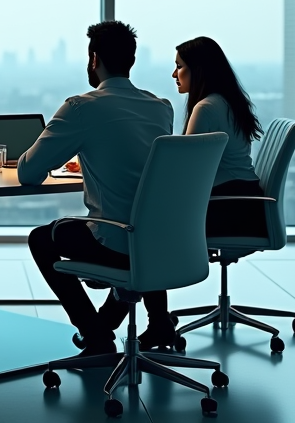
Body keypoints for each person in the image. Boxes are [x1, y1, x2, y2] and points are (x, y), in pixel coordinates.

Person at [18, 21, 175, 356]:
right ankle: (119, 321)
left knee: (41, 239)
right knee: (132, 229)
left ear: (93, 59)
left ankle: (95, 334)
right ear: (131, 61)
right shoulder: (161, 108)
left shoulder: (81, 108)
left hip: (116, 242)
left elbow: (28, 172)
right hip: (164, 240)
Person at [172, 36, 267, 238]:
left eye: (179, 66)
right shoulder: (227, 102)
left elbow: (188, 170)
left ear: (198, 70)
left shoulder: (206, 108)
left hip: (228, 206)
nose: (174, 74)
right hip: (246, 204)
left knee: (153, 220)